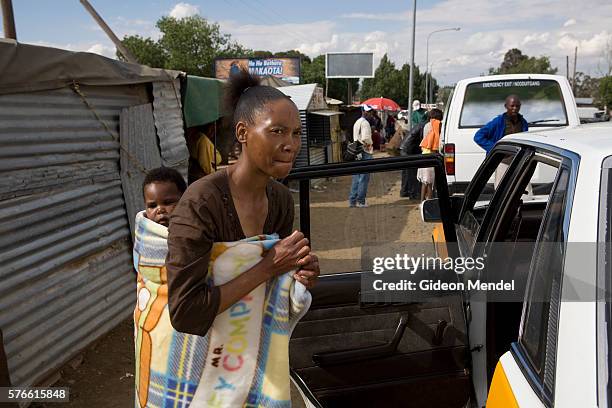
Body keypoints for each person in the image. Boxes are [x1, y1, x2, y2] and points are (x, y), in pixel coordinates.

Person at [166, 69, 319, 407]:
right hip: (202, 373)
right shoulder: (201, 204)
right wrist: (268, 267)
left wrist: (300, 275)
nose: (291, 144)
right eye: (277, 131)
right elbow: (186, 313)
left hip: (250, 364)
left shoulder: (279, 200)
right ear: (243, 133)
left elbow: (274, 288)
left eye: (295, 133)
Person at [133, 167, 188, 407]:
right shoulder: (145, 236)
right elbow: (143, 271)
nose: (160, 210)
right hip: (152, 322)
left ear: (185, 201)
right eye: (152, 204)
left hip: (183, 320)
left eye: (168, 202)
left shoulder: (196, 235)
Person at [349, 105, 374, 207]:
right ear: (364, 111)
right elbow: (365, 139)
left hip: (356, 151)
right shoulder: (365, 123)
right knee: (364, 178)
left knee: (356, 177)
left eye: (370, 112)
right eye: (368, 112)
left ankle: (352, 201)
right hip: (365, 151)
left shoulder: (357, 122)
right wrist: (370, 145)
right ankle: (361, 201)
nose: (370, 114)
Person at [417, 108, 444, 201]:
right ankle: (430, 202)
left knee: (425, 182)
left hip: (424, 154)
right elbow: (438, 143)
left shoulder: (426, 125)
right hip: (431, 155)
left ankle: (422, 202)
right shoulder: (437, 126)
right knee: (431, 183)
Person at [399, 116, 425, 199]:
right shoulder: (423, 126)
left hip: (404, 149)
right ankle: (413, 194)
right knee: (412, 173)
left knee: (406, 172)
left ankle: (404, 191)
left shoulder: (420, 125)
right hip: (407, 150)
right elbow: (422, 141)